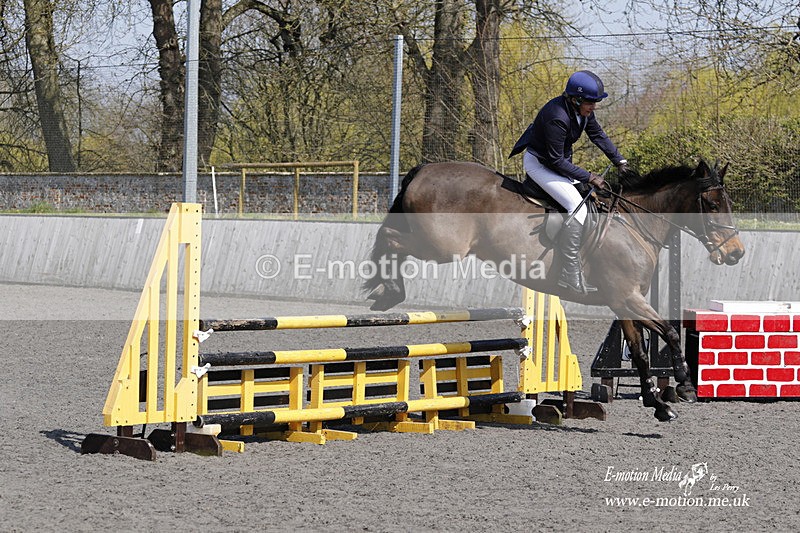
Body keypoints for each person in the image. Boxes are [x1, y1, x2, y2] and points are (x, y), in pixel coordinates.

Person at [509, 70, 628, 294]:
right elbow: (555, 160)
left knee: (593, 200)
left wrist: (619, 160)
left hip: (558, 163)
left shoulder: (582, 111)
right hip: (541, 165)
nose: (594, 107)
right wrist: (590, 176)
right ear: (576, 99)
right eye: (591, 102)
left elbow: (598, 135)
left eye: (595, 102)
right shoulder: (557, 116)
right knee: (578, 209)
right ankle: (569, 272)